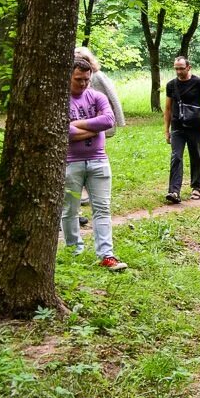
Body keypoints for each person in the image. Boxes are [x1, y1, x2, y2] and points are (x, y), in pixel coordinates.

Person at [63, 58, 126, 271]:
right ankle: (74, 250)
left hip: (99, 160)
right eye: (78, 79)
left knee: (102, 209)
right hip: (71, 163)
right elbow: (65, 132)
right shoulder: (61, 100)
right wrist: (93, 128)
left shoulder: (97, 96)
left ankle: (106, 255)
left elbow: (109, 120)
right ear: (69, 76)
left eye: (86, 80)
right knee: (69, 210)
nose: (82, 84)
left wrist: (75, 125)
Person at [74, 46, 124, 228]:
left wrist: (112, 123)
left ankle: (90, 196)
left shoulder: (98, 77)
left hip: (96, 125)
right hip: (81, 129)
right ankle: (76, 209)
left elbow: (112, 101)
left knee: (94, 161)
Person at [163, 56, 200, 203]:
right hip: (177, 126)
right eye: (176, 68)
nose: (178, 71)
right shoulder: (171, 85)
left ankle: (196, 187)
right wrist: (166, 130)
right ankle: (174, 191)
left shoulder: (198, 82)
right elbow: (168, 109)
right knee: (176, 157)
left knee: (196, 156)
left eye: (181, 68)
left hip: (195, 127)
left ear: (188, 67)